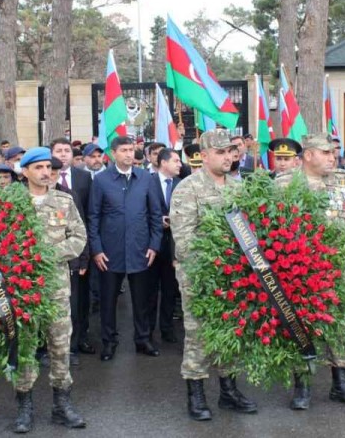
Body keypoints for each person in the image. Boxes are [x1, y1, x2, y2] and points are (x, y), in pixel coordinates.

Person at [275, 134, 345, 411]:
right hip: (300, 270)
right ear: (308, 155)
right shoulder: (284, 183)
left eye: (334, 153)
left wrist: (340, 247)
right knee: (300, 324)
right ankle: (301, 386)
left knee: (339, 323)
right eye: (326, 153)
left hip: (337, 266)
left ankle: (340, 384)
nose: (332, 158)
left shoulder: (343, 180)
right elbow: (275, 223)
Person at [170, 129, 257, 421]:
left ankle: (229, 391)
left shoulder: (237, 188)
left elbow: (248, 232)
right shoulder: (187, 188)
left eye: (230, 151)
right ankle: (196, 395)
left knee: (231, 333)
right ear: (203, 156)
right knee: (198, 335)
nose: (227, 157)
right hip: (201, 276)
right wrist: (219, 262)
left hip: (235, 278)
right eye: (219, 153)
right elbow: (184, 239)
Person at [13, 147, 87, 433]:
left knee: (59, 346)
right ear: (25, 171)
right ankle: (25, 406)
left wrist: (49, 254)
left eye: (48, 167)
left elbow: (79, 237)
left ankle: (62, 404)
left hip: (56, 288)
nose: (46, 172)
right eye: (39, 167)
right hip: (24, 290)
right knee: (26, 347)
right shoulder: (11, 202)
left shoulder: (64, 201)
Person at [88, 135, 164, 362]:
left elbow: (155, 215)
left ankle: (143, 339)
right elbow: (93, 217)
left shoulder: (145, 179)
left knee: (142, 301)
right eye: (124, 150)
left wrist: (154, 245)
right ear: (113, 154)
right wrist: (96, 249)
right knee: (108, 301)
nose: (129, 154)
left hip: (140, 250)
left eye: (131, 150)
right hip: (109, 253)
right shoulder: (101, 181)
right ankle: (109, 342)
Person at [50, 138, 96, 357]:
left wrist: (85, 256)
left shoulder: (84, 178)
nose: (63, 154)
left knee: (79, 302)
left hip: (78, 252)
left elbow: (86, 218)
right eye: (58, 151)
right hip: (53, 257)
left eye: (66, 150)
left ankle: (79, 340)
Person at [149, 148, 182, 344]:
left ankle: (167, 329)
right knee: (150, 292)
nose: (180, 164)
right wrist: (156, 221)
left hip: (174, 247)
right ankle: (148, 330)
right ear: (163, 163)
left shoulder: (181, 184)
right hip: (152, 246)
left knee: (170, 290)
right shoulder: (147, 182)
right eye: (176, 161)